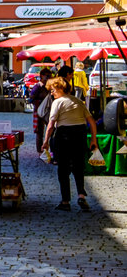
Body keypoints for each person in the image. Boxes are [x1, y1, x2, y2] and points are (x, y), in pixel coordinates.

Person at [41, 77, 97, 211]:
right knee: (78, 166)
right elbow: (92, 122)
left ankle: (65, 201)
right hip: (80, 134)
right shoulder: (78, 101)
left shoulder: (58, 102)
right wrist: (93, 140)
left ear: (60, 88)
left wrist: (46, 141)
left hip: (64, 134)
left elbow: (51, 124)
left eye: (53, 90)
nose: (52, 93)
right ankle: (81, 195)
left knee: (63, 168)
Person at [31, 68, 54, 155]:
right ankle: (40, 151)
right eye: (46, 76)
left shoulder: (50, 86)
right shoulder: (38, 86)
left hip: (49, 111)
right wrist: (40, 103)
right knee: (39, 132)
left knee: (51, 130)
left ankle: (51, 150)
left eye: (49, 76)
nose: (48, 78)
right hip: (40, 112)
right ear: (41, 76)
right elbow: (31, 99)